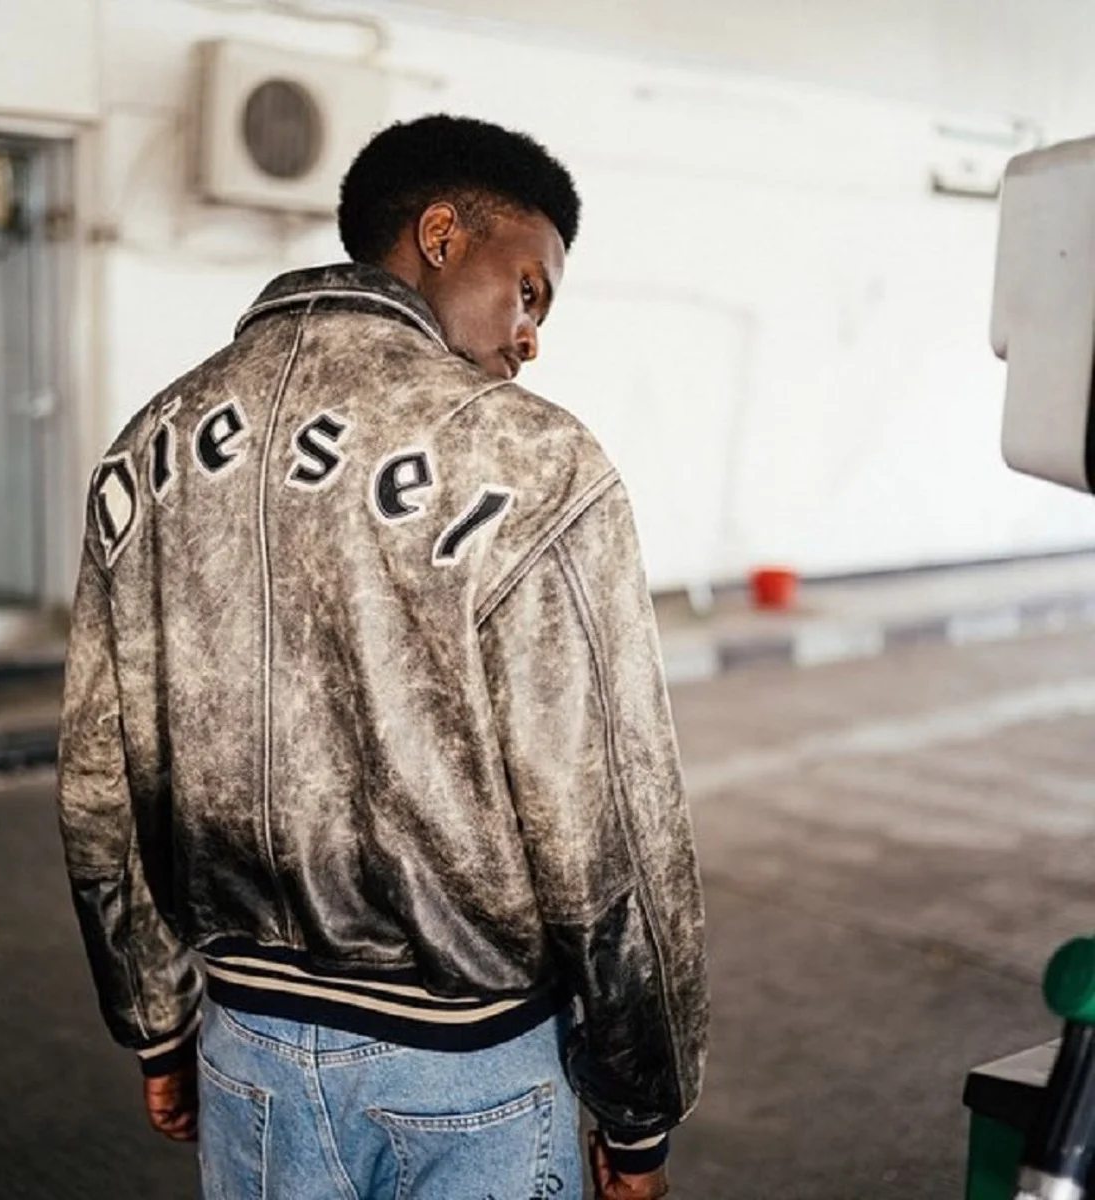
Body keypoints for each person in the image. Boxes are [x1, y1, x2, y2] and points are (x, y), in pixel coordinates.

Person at [57, 113, 708, 1200]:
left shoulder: (148, 445)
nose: (530, 338)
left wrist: (157, 1023)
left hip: (247, 1055)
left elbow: (98, 787)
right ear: (442, 235)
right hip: (471, 1071)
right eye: (529, 291)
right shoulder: (534, 459)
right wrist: (638, 1107)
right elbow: (606, 821)